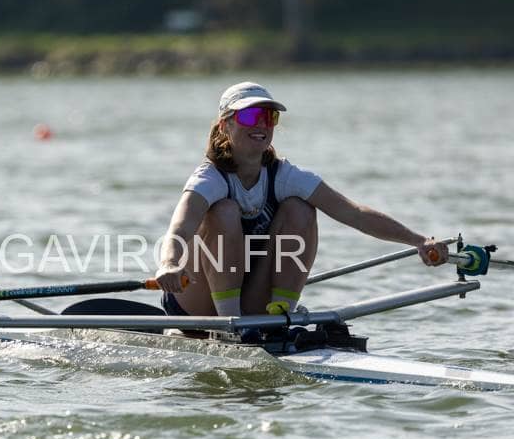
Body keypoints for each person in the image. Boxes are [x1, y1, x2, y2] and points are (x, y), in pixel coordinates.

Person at [154, 81, 448, 319]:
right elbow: (179, 229)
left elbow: (354, 213)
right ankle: (231, 327)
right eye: (249, 116)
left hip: (250, 295)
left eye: (269, 117)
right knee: (225, 211)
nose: (261, 125)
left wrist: (418, 240)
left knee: (301, 209)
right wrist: (168, 264)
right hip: (195, 301)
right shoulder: (209, 179)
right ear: (224, 126)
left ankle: (280, 315)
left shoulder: (285, 176)